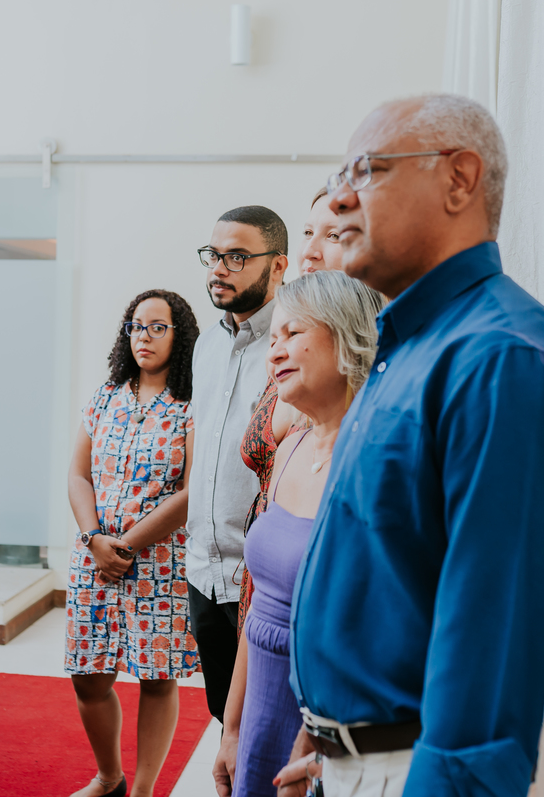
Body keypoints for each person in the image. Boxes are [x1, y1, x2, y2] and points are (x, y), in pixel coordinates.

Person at [276, 94, 544, 797]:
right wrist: (333, 731)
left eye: (365, 171)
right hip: (356, 758)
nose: (336, 201)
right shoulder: (407, 348)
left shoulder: (496, 355)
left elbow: (490, 626)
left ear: (460, 180)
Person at [214, 271, 383, 797]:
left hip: (326, 722)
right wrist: (233, 727)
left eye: (293, 334)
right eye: (273, 339)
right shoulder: (289, 450)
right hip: (261, 705)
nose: (275, 352)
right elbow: (262, 600)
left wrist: (322, 743)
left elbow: (376, 628)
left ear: (347, 334)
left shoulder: (376, 459)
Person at [65, 289, 201, 797]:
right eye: (136, 326)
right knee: (88, 676)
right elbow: (78, 475)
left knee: (156, 676)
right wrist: (95, 538)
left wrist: (126, 546)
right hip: (94, 559)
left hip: (159, 563)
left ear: (178, 334)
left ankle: (142, 790)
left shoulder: (192, 405)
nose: (144, 336)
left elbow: (192, 490)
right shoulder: (107, 396)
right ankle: (109, 777)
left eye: (157, 326)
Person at [186, 205, 290, 724]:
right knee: (222, 720)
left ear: (278, 266)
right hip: (204, 573)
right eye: (213, 254)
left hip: (260, 576)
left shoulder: (289, 343)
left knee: (265, 729)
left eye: (236, 256)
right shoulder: (206, 344)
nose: (218, 269)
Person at [236, 186, 351, 633]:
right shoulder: (290, 356)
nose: (310, 252)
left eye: (334, 235)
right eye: (307, 231)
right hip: (262, 567)